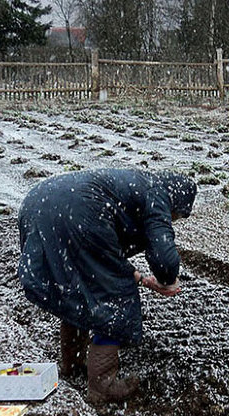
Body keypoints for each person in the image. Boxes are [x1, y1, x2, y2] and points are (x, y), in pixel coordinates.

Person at [17, 168, 197, 403]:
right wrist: (168, 279)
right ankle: (103, 385)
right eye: (176, 217)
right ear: (178, 203)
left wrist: (143, 279)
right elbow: (164, 258)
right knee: (113, 297)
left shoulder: (138, 184)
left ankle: (73, 364)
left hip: (38, 204)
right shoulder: (159, 193)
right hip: (77, 212)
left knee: (78, 288)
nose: (173, 220)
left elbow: (106, 257)